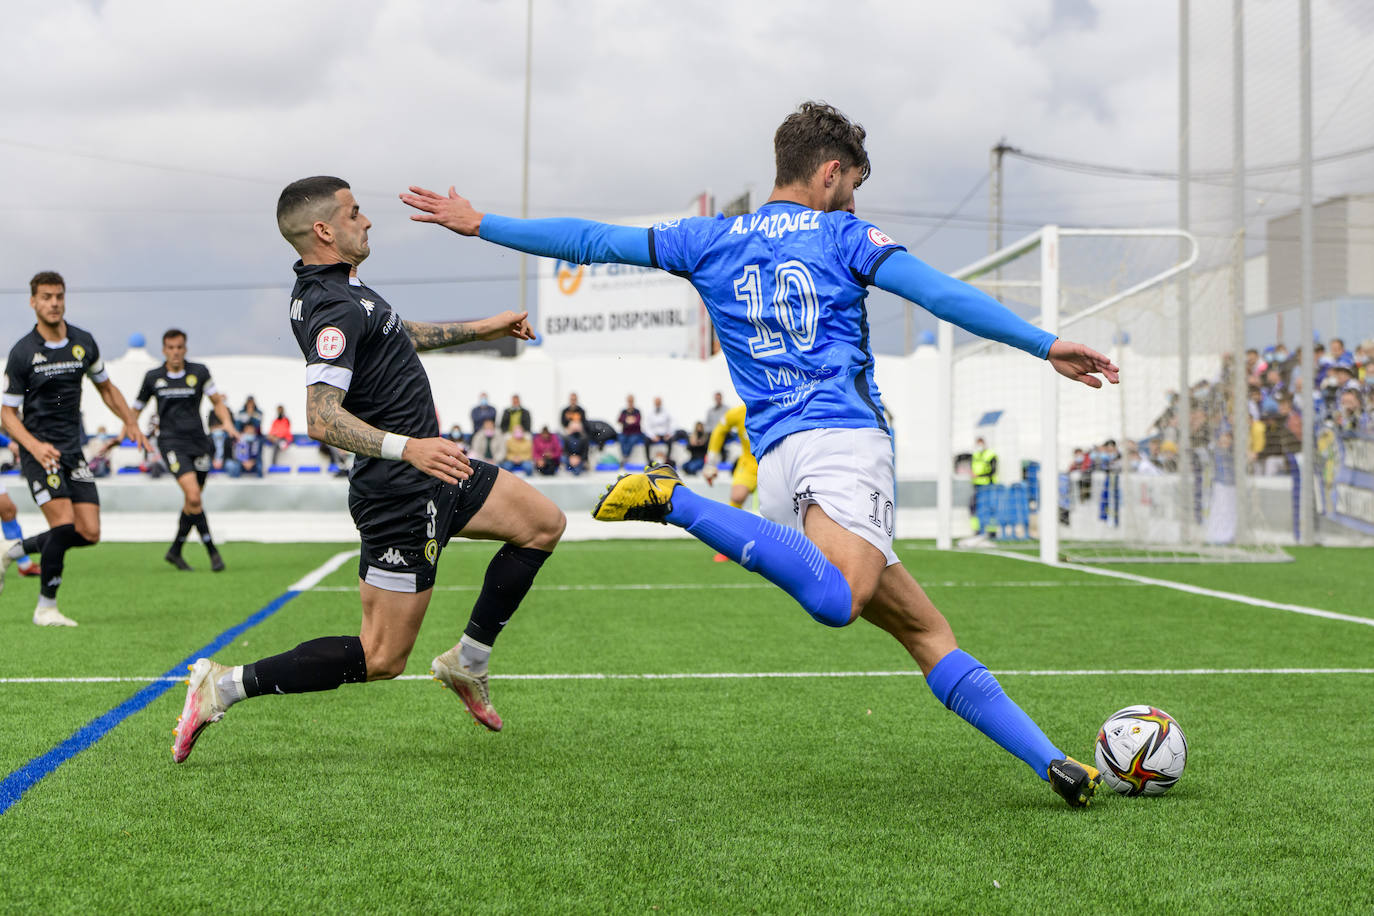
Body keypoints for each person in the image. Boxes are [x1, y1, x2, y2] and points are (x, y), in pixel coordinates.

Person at [402, 101, 1120, 807]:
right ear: (832, 173)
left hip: (778, 462)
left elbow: (589, 240)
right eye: (854, 186)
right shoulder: (846, 237)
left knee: (926, 630)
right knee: (841, 602)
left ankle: (1052, 764)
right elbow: (938, 293)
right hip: (843, 444)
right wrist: (1046, 342)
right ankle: (673, 499)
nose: (851, 201)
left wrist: (483, 223)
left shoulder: (710, 239)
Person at [173, 175, 565, 763]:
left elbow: (397, 336)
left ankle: (468, 662)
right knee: (381, 658)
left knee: (542, 523)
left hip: (437, 471)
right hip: (401, 490)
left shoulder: (347, 292)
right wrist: (408, 447)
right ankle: (222, 686)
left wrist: (485, 327)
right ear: (325, 229)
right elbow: (321, 417)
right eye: (356, 212)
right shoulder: (331, 306)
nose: (368, 221)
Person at [0, 270, 149, 626]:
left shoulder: (83, 342)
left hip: (73, 451)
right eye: (46, 297)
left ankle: (12, 551)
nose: (54, 303)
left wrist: (130, 420)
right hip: (41, 454)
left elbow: (106, 388)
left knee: (89, 533)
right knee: (64, 524)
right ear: (33, 302)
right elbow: (6, 413)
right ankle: (46, 608)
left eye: (59, 296)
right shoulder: (23, 353)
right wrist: (34, 447)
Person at [132, 329, 237, 572]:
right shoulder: (153, 377)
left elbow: (216, 401)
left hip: (199, 443)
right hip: (171, 443)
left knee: (192, 503)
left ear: (185, 348)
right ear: (164, 350)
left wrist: (228, 423)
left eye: (179, 347)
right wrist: (125, 433)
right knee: (193, 496)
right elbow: (135, 410)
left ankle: (175, 551)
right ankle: (213, 553)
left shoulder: (199, 372)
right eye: (171, 347)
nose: (175, 352)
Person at [703, 404, 758, 563]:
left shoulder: (777, 405)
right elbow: (719, 430)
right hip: (749, 464)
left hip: (774, 462)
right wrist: (711, 463)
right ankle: (728, 546)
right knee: (737, 495)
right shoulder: (738, 413)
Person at [967, 436, 998, 541]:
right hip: (977, 486)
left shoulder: (991, 455)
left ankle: (992, 531)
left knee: (990, 508)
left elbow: (993, 471)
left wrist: (980, 476)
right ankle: (978, 530)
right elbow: (971, 468)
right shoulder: (975, 455)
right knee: (974, 507)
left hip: (988, 486)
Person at [643, 396, 676, 466]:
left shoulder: (667, 412)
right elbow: (646, 426)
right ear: (654, 403)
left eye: (659, 402)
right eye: (656, 402)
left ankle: (667, 460)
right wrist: (652, 436)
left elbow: (672, 423)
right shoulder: (649, 413)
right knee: (646, 441)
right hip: (654, 435)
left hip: (664, 435)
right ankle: (648, 461)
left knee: (671, 440)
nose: (658, 404)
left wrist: (669, 434)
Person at [617, 394, 645, 466]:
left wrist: (628, 421)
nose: (630, 402)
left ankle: (626, 456)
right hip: (625, 432)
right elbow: (619, 420)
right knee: (621, 439)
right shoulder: (623, 411)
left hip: (635, 432)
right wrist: (629, 420)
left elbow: (637, 421)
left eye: (631, 401)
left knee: (632, 440)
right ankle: (624, 455)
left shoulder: (637, 411)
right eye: (629, 401)